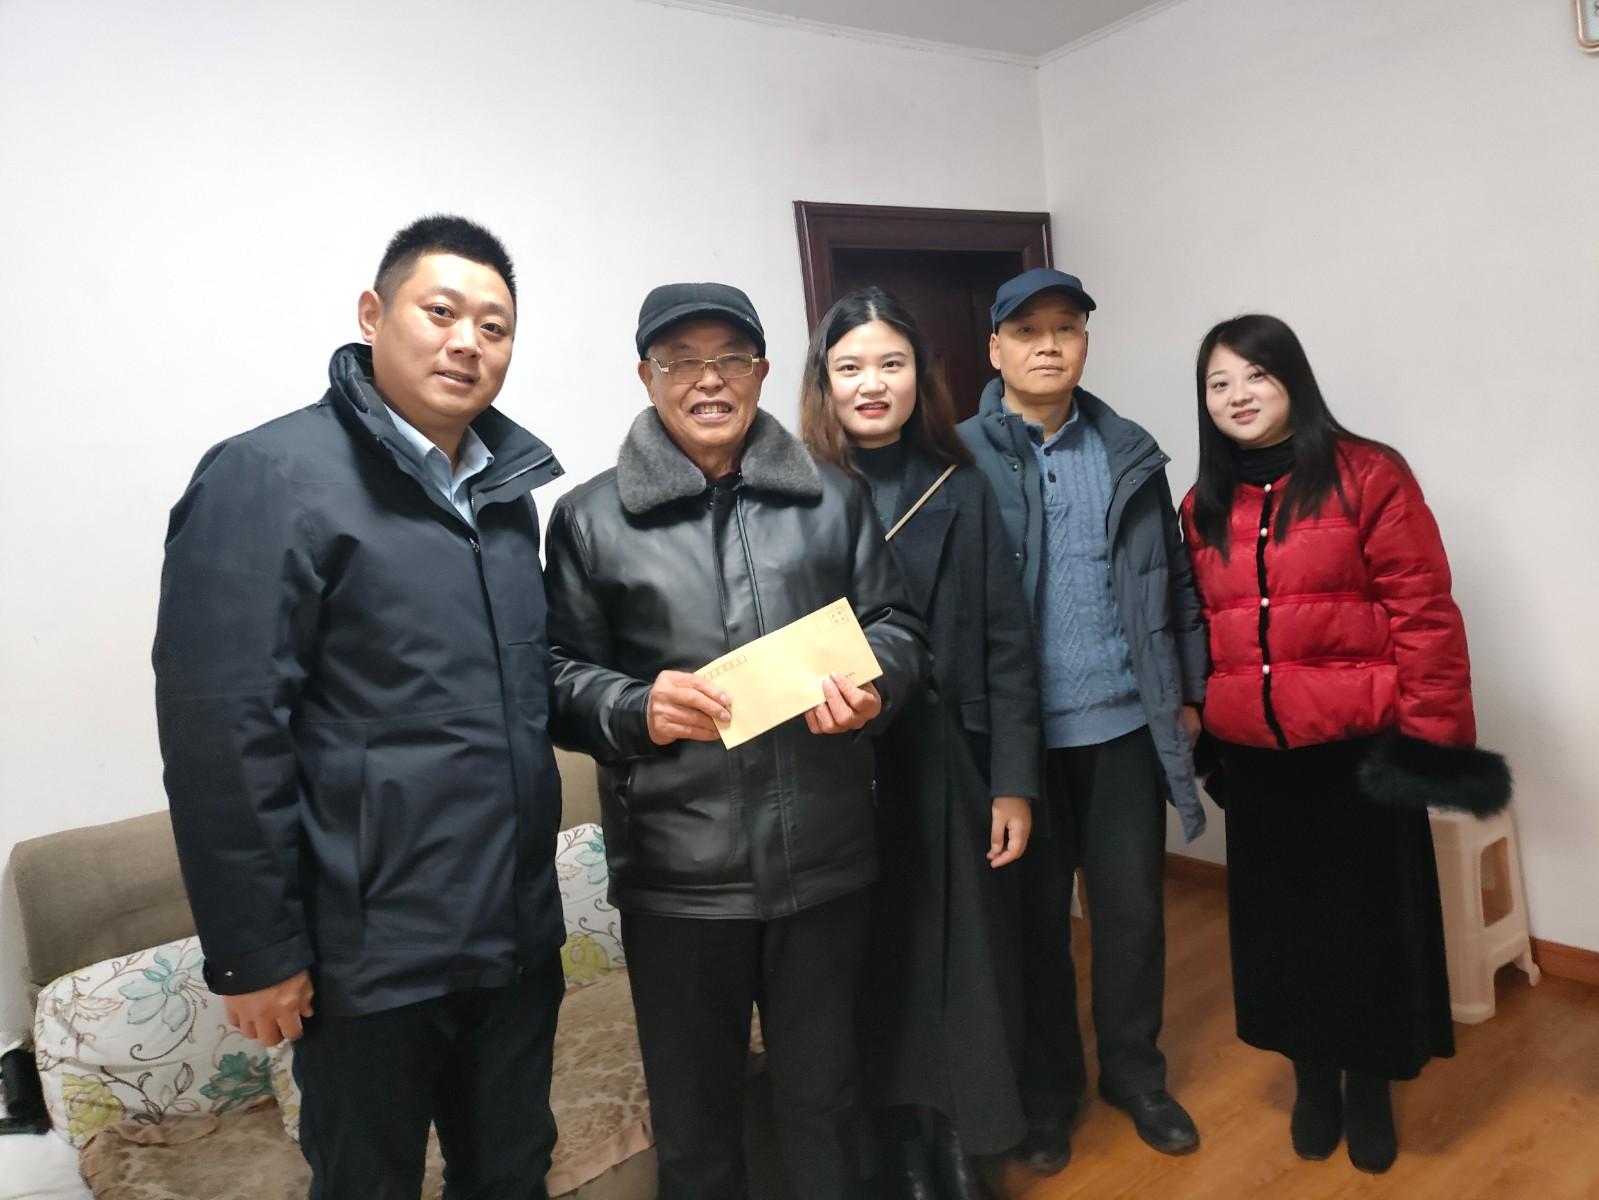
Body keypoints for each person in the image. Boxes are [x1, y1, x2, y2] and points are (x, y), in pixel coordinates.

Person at [153, 216, 567, 1199]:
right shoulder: (268, 477)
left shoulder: (505, 495)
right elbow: (221, 731)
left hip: (512, 939)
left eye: (495, 326)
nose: (468, 342)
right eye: (442, 312)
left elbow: (524, 692)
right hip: (371, 956)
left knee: (513, 1175)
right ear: (373, 315)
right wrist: (256, 952)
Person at [542, 282, 928, 1200]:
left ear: (760, 372)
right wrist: (633, 707)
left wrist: (872, 686)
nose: (707, 379)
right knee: (696, 1125)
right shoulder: (591, 519)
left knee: (824, 1104)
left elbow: (897, 627)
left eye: (728, 359)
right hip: (679, 881)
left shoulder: (833, 497)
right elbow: (551, 676)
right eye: (681, 360)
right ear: (646, 376)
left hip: (824, 864)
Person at [1181, 313, 1508, 1173]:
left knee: (1365, 928)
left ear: (1291, 379)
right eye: (1218, 383)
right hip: (1258, 757)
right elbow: (1200, 629)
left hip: (1357, 751)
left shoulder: (1368, 474)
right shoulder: (1201, 504)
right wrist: (1205, 735)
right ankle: (1311, 1081)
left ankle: (1367, 1086)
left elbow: (1423, 613)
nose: (1237, 396)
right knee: (1283, 933)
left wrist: (1429, 750)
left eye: (1255, 375)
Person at [957, 267, 1208, 1171]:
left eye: (1064, 328)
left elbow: (1174, 586)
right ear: (995, 349)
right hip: (1016, 748)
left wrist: (1186, 694)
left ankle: (1136, 1077)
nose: (1048, 345)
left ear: (1085, 344)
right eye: (1027, 331)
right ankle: (1048, 1095)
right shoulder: (960, 459)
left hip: (1123, 731)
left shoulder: (1129, 449)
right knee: (1033, 931)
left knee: (1131, 917)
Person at [799, 287, 1040, 1200]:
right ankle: (892, 1151)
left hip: (945, 760)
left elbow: (1008, 641)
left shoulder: (959, 484)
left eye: (891, 364)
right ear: (824, 381)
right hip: (834, 767)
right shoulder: (795, 492)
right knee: (866, 966)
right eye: (850, 366)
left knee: (960, 961)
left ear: (919, 377)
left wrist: (1012, 782)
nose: (871, 384)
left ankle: (960, 1144)